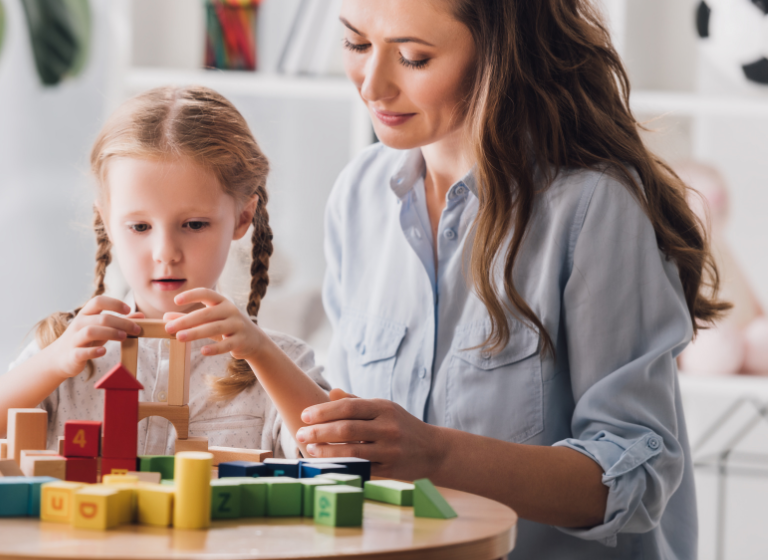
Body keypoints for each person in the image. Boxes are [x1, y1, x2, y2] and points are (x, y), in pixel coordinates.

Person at [297, 1, 727, 558]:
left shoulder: (595, 208)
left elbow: (635, 481)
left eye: (412, 57)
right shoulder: (357, 193)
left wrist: (436, 455)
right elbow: (349, 427)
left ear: (500, 54)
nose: (372, 86)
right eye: (357, 46)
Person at [0, 85, 330, 458]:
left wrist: (260, 352)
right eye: (140, 227)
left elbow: (334, 455)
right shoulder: (66, 351)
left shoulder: (279, 362)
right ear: (107, 222)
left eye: (194, 225)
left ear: (243, 217)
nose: (166, 253)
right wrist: (54, 363)